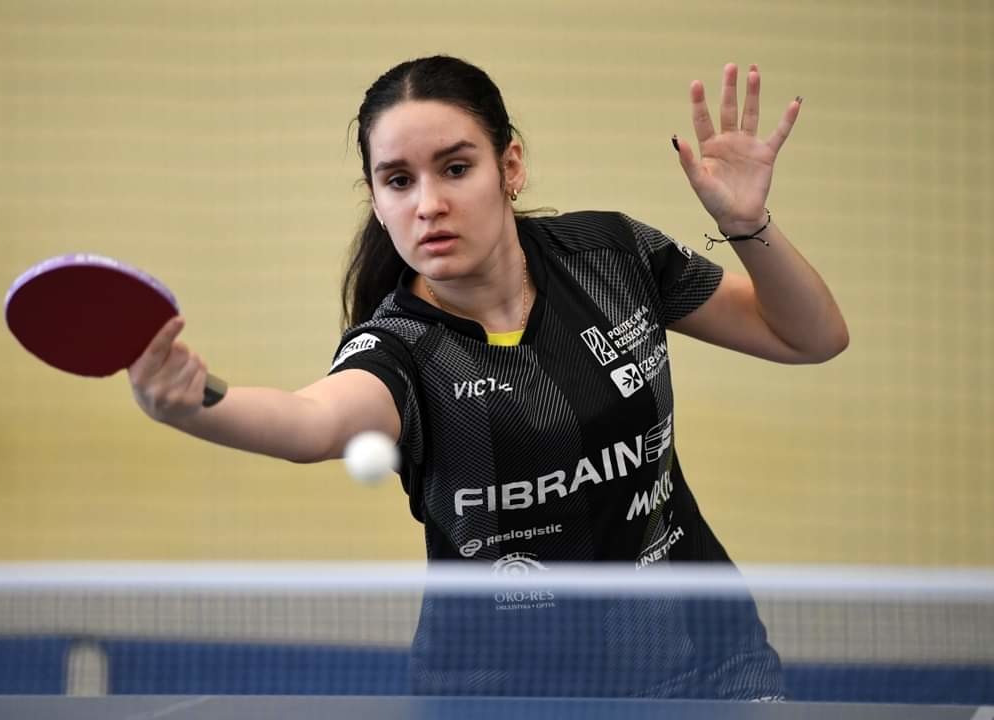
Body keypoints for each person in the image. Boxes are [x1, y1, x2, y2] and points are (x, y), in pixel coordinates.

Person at [129, 56, 848, 699]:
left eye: (455, 168)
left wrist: (748, 224)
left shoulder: (611, 256)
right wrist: (194, 403)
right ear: (377, 201)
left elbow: (811, 337)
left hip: (705, 663)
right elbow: (310, 423)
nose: (428, 204)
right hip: (505, 695)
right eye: (398, 181)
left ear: (511, 167)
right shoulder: (401, 350)